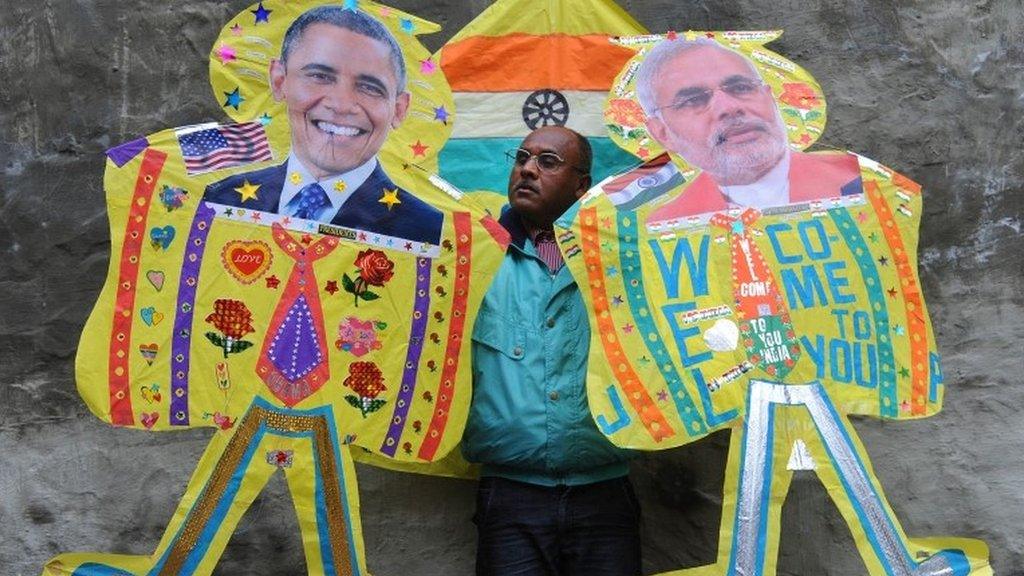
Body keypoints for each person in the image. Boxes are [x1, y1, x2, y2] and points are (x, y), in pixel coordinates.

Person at [462, 126, 641, 576]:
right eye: (522, 157)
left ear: (582, 185)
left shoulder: (616, 260)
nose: (527, 168)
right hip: (510, 495)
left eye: (548, 161)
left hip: (605, 492)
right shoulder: (475, 255)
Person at [203, 5, 443, 245]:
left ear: (399, 109)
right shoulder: (220, 200)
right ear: (279, 81)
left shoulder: (426, 232)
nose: (341, 104)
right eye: (320, 76)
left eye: (370, 87)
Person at [633, 38, 863, 221]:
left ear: (771, 100)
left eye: (741, 87)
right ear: (662, 132)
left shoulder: (860, 183)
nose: (729, 107)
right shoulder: (660, 224)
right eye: (694, 100)